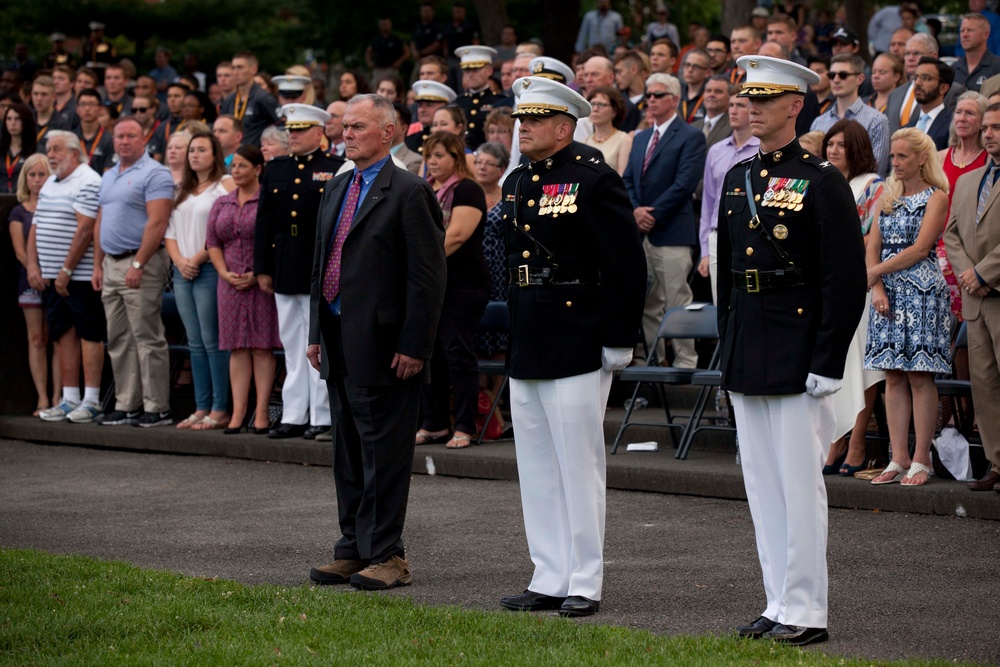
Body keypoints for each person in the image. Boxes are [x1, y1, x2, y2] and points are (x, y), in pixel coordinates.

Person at [717, 56, 866, 645]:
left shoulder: (822, 180)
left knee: (800, 485)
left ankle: (807, 608)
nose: (752, 107)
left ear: (794, 105)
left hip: (800, 346)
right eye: (748, 97)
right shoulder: (738, 176)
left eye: (766, 98)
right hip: (749, 340)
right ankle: (777, 598)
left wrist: (828, 361)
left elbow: (844, 279)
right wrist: (728, 351)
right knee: (761, 483)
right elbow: (729, 275)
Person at [498, 76, 645, 618]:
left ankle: (585, 578)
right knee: (535, 464)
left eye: (535, 119)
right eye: (520, 119)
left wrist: (617, 338)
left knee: (578, 465)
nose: (524, 127)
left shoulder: (592, 177)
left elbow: (625, 263)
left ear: (564, 127)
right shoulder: (516, 181)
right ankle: (548, 573)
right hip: (529, 332)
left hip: (577, 331)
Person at [307, 94, 447, 589]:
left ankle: (388, 553)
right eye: (344, 126)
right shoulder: (338, 187)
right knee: (346, 448)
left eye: (358, 127)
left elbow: (427, 278)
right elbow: (323, 261)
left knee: (383, 451)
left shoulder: (409, 191)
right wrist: (315, 331)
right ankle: (353, 546)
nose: (346, 134)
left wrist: (415, 345)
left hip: (388, 345)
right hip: (339, 338)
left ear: (388, 132)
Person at [865, 128, 953, 486]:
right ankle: (897, 456)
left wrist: (874, 273)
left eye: (902, 156)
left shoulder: (937, 197)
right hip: (887, 292)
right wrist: (877, 287)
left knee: (919, 374)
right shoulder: (887, 194)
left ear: (921, 158)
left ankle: (921, 457)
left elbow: (920, 248)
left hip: (922, 291)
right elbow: (872, 242)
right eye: (893, 157)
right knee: (893, 374)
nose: (895, 163)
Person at [254, 104, 343, 440]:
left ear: (319, 132)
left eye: (300, 130)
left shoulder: (333, 168)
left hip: (316, 264)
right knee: (291, 344)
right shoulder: (276, 169)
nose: (292, 136)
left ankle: (321, 416)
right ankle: (294, 413)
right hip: (284, 264)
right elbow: (265, 222)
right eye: (290, 130)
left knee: (317, 344)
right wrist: (262, 268)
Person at [92, 116, 176, 427]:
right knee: (118, 338)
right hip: (111, 264)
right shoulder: (109, 174)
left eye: (130, 136)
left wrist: (139, 263)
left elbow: (157, 222)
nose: (124, 141)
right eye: (119, 136)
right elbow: (101, 220)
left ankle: (157, 407)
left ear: (143, 139)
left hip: (141, 262)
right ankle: (127, 403)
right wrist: (98, 264)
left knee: (147, 336)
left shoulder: (156, 174)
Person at [622, 72, 706, 369]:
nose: (651, 101)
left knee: (676, 301)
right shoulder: (642, 136)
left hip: (671, 231)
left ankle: (686, 362)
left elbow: (685, 184)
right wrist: (635, 211)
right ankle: (655, 361)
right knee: (647, 303)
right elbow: (628, 178)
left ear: (674, 99)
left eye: (657, 95)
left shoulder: (691, 135)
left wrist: (651, 215)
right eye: (648, 96)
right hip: (641, 233)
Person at [819, 120, 888, 476]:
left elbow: (871, 239)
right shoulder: (822, 181)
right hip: (823, 285)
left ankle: (857, 440)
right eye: (830, 144)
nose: (833, 150)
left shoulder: (873, 186)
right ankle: (835, 437)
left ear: (857, 149)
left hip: (859, 284)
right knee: (834, 364)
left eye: (842, 145)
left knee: (861, 368)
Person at [413, 131, 489, 448]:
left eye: (440, 155)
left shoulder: (468, 190)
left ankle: (465, 426)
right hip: (430, 286)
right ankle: (434, 424)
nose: (432, 161)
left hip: (461, 285)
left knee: (458, 354)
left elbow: (455, 236)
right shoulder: (424, 189)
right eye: (429, 155)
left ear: (456, 158)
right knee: (429, 356)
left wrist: (415, 264)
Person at [27, 131, 106, 423]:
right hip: (50, 275)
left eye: (57, 149)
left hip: (80, 276)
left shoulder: (89, 180)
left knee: (89, 334)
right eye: (49, 149)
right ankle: (69, 398)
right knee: (61, 336)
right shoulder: (50, 181)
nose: (51, 154)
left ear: (75, 153)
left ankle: (92, 400)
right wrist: (33, 265)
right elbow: (36, 226)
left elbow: (85, 230)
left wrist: (66, 270)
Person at [205, 144, 280, 434]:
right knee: (237, 347)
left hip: (260, 282)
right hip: (229, 283)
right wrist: (224, 272)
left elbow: (275, 238)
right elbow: (212, 241)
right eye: (233, 166)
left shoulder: (268, 200)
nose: (235, 171)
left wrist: (259, 272)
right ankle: (238, 412)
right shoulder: (221, 203)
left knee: (261, 347)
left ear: (258, 169)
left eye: (241, 166)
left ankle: (260, 412)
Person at [945, 101, 1000, 493]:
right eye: (987, 129)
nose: (990, 134)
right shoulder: (968, 180)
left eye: (996, 127)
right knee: (984, 384)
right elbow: (951, 233)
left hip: (993, 288)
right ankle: (997, 463)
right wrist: (969, 275)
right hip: (976, 300)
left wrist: (982, 272)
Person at [164, 130, 235, 431]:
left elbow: (228, 229)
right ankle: (201, 405)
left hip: (207, 269)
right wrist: (180, 261)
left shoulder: (224, 184)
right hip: (182, 272)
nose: (194, 155)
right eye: (191, 150)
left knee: (213, 341)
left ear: (214, 154)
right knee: (195, 343)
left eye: (201, 150)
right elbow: (170, 233)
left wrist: (197, 258)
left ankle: (221, 408)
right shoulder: (183, 189)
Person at [8, 153, 60, 415]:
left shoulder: (57, 205)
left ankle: (59, 397)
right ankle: (42, 398)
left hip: (57, 279)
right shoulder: (19, 212)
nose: (37, 180)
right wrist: (35, 271)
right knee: (37, 338)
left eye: (42, 174)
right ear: (25, 179)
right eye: (32, 175)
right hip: (29, 280)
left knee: (59, 337)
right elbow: (20, 251)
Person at [699, 86, 759, 302]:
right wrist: (705, 249)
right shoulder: (716, 150)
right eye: (731, 105)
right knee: (720, 305)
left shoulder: (763, 149)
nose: (733, 110)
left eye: (741, 105)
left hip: (750, 235)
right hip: (717, 237)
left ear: (754, 110)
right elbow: (708, 203)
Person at [940, 92, 989, 332]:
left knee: (966, 334)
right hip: (939, 247)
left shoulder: (989, 162)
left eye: (970, 113)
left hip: (973, 251)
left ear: (983, 122)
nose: (961, 118)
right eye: (958, 112)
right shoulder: (939, 158)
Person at [810, 54, 891, 176]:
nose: (836, 80)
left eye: (843, 75)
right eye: (832, 75)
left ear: (860, 79)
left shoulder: (877, 120)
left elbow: (877, 171)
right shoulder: (818, 122)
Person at [472, 141, 510, 361]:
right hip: (472, 271)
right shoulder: (467, 195)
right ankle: (480, 393)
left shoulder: (509, 199)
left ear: (501, 169)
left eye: (489, 163)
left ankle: (496, 392)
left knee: (499, 337)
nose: (482, 167)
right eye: (478, 162)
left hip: (499, 272)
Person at [219, 51, 279, 147]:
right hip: (232, 157)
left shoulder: (263, 98)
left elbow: (281, 125)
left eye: (240, 67)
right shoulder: (229, 101)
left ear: (253, 69)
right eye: (233, 68)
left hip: (255, 156)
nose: (235, 72)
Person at [581, 86, 632, 175]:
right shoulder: (585, 141)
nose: (595, 109)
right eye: (592, 104)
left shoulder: (624, 140)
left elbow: (622, 177)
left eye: (601, 104)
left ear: (614, 111)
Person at [952, 13, 1000, 93]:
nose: (965, 35)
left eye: (970, 30)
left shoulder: (997, 68)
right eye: (962, 31)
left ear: (985, 35)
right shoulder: (954, 69)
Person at [74, 89, 115, 174]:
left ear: (100, 109)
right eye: (83, 104)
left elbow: (109, 173)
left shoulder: (109, 139)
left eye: (92, 104)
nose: (87, 108)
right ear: (77, 109)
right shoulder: (71, 138)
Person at [2, 103, 36, 193]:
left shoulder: (35, 149)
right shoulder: (1, 149)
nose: (12, 123)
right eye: (9, 119)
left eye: (17, 119)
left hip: (24, 198)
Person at [390, 103, 422, 175]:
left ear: (404, 128)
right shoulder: (373, 155)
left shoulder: (415, 160)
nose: (386, 126)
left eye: (392, 122)